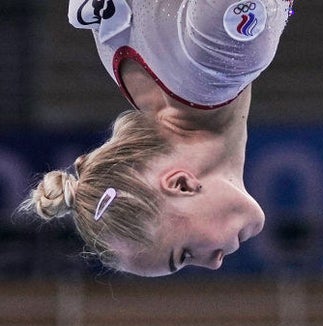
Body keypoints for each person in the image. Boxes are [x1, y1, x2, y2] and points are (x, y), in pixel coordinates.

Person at [20, 0, 295, 275]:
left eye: (185, 254)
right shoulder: (123, 60)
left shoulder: (219, 55)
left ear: (181, 184)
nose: (214, 263)